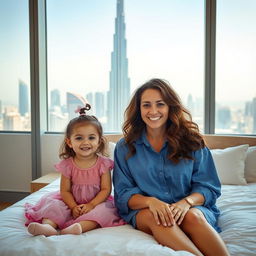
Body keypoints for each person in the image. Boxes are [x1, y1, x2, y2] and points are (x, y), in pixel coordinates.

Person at [113, 78, 230, 256]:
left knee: (193, 217)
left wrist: (186, 203)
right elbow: (123, 193)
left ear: (169, 107)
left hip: (191, 207)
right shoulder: (125, 147)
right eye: (146, 105)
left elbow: (208, 187)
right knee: (158, 217)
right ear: (139, 109)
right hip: (146, 211)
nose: (153, 111)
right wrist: (151, 202)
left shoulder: (192, 141)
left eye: (160, 104)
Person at [25, 104, 125, 236]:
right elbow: (65, 190)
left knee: (104, 212)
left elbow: (106, 190)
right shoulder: (67, 165)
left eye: (91, 137)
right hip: (70, 200)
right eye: (79, 138)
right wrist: (72, 206)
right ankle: (48, 226)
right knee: (54, 205)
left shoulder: (103, 164)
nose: (85, 142)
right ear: (69, 142)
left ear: (99, 141)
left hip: (96, 201)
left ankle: (79, 226)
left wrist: (91, 205)